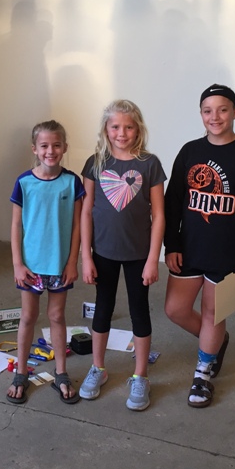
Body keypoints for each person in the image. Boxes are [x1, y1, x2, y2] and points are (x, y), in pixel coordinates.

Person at [163, 83, 235, 408]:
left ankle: (203, 373)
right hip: (189, 247)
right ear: (200, 114)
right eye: (208, 111)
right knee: (175, 309)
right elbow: (172, 202)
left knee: (213, 313)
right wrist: (171, 244)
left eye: (223, 110)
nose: (215, 117)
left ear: (234, 112)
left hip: (228, 252)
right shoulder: (189, 152)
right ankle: (215, 342)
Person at [78, 100, 166, 411]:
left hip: (138, 255)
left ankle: (140, 375)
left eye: (129, 127)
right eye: (115, 126)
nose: (122, 133)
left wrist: (153, 259)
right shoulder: (95, 163)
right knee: (103, 309)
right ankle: (98, 368)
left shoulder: (149, 164)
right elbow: (86, 211)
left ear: (138, 129)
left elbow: (159, 215)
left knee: (139, 311)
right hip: (103, 252)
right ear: (106, 129)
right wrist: (86, 257)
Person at [6, 121, 84, 405]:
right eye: (44, 146)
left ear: (64, 147)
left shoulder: (72, 182)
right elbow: (16, 226)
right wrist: (18, 264)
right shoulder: (24, 182)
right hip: (31, 266)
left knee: (57, 316)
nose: (50, 151)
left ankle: (61, 373)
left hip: (60, 265)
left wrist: (72, 262)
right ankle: (21, 372)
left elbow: (77, 226)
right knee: (28, 317)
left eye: (56, 145)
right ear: (34, 149)